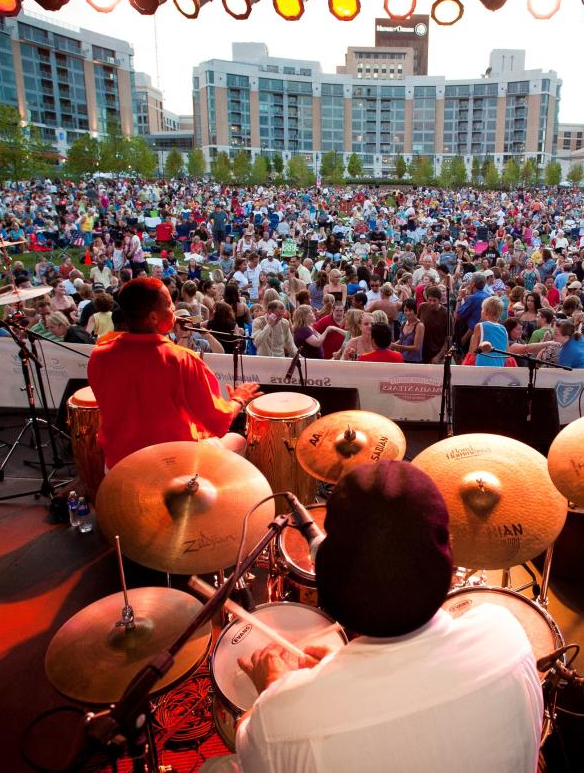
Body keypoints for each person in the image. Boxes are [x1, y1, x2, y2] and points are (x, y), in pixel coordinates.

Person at [210, 461, 543, 773]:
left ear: (330, 584)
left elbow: (251, 742)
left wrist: (274, 690)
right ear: (449, 564)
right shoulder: (505, 636)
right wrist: (334, 674)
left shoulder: (281, 724)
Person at [86, 278, 258, 468]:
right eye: (169, 305)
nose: (174, 310)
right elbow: (219, 422)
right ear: (153, 317)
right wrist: (238, 400)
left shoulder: (99, 355)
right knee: (237, 440)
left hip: (119, 464)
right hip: (173, 465)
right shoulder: (182, 360)